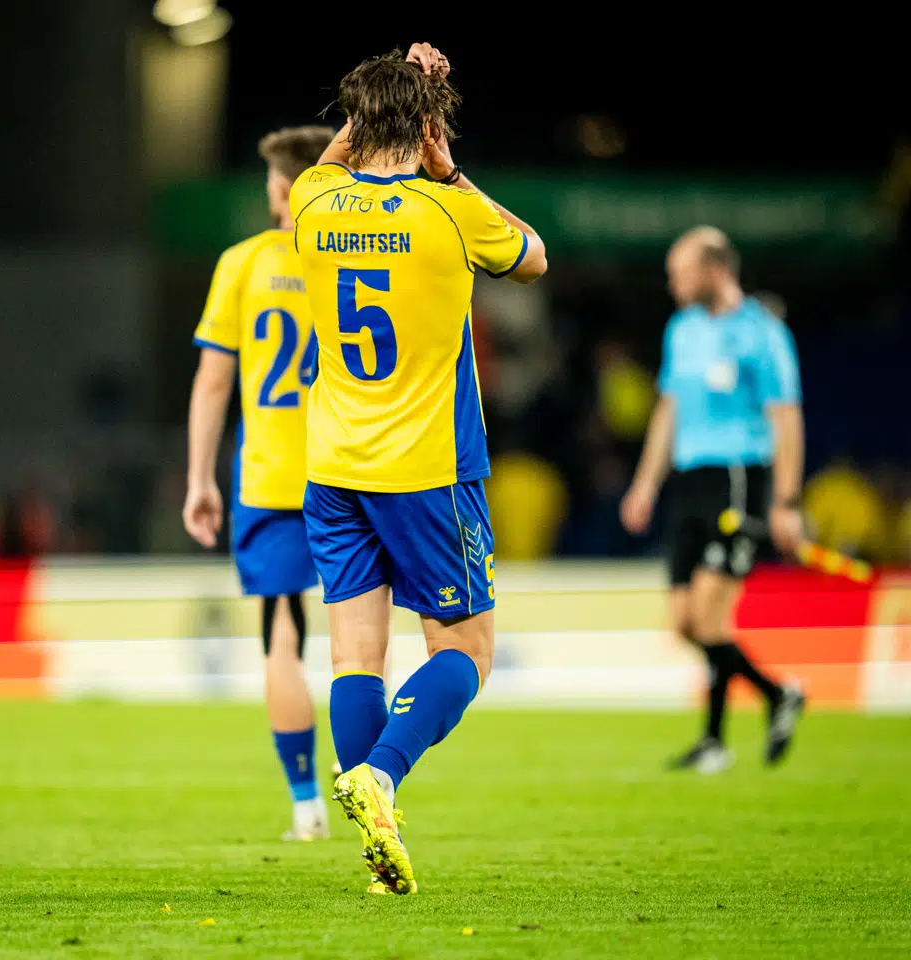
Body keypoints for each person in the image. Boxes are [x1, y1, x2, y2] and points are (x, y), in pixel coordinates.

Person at [288, 44, 547, 894]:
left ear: (355, 124)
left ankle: (377, 842)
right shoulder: (448, 212)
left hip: (331, 465)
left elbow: (324, 170)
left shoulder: (314, 201)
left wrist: (377, 108)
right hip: (427, 468)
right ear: (429, 128)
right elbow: (533, 254)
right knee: (468, 650)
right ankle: (383, 776)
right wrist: (450, 167)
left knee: (355, 659)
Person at [183, 124, 337, 842]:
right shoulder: (354, 262)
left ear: (280, 188)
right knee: (359, 643)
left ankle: (306, 805)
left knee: (283, 636)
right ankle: (376, 796)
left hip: (271, 477)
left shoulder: (243, 263)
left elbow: (214, 380)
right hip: (356, 470)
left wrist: (197, 478)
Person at [621, 226, 806, 774]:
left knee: (710, 616)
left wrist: (787, 502)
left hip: (738, 478)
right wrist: (645, 484)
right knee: (684, 621)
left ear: (716, 269)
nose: (672, 283)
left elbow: (786, 418)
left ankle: (715, 740)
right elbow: (668, 409)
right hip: (689, 481)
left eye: (681, 272)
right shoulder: (682, 330)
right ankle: (777, 697)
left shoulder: (762, 333)